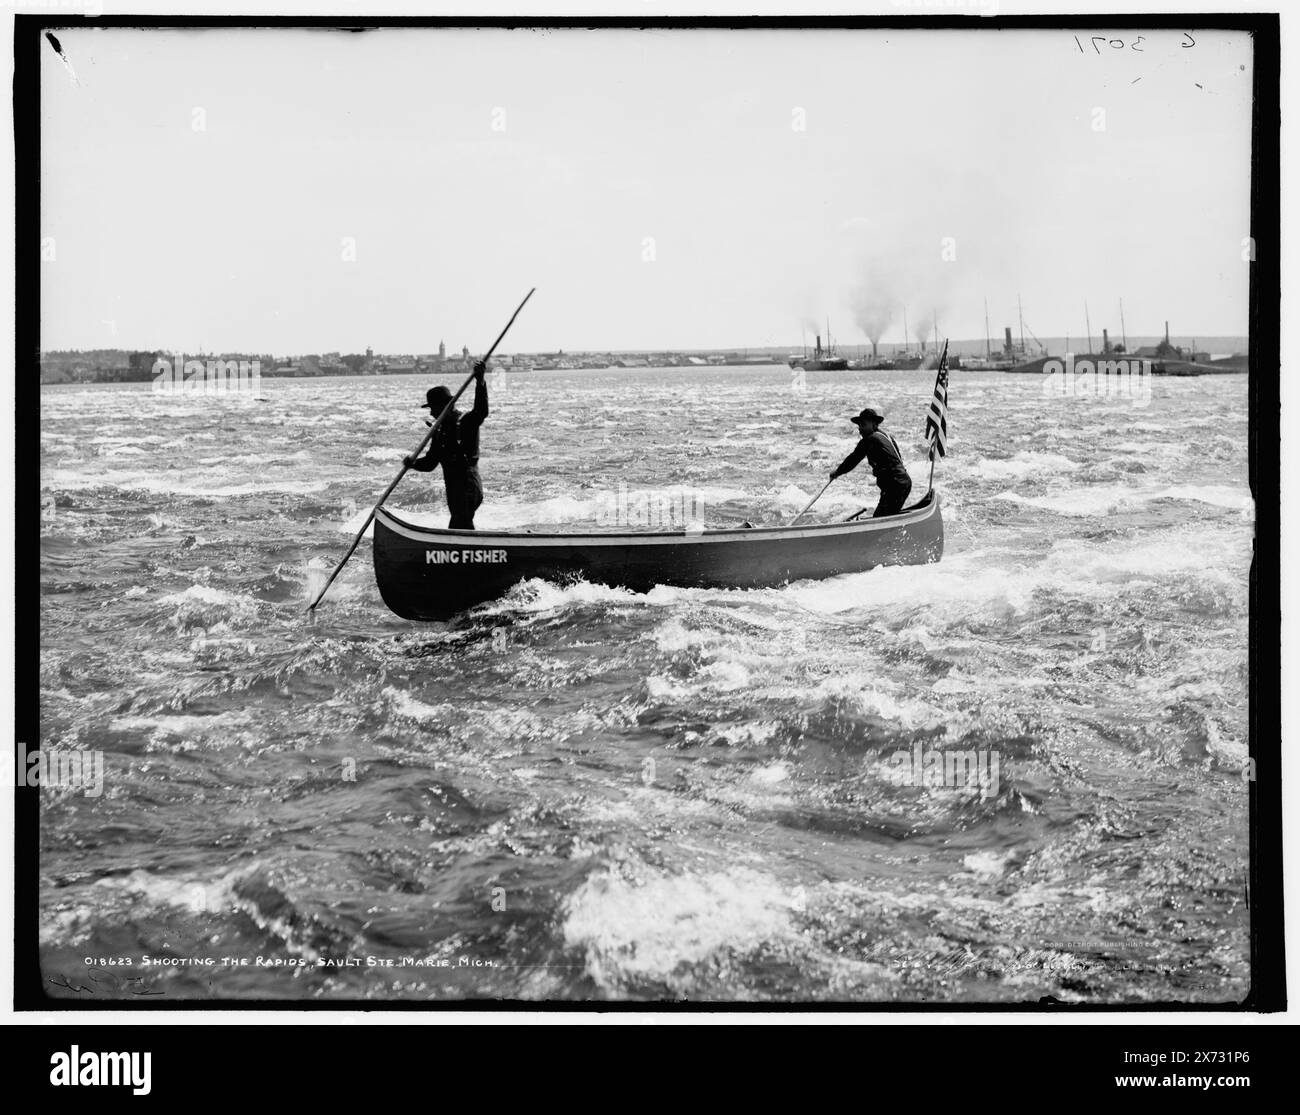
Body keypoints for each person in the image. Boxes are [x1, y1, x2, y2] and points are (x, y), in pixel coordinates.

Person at [404, 361, 489, 529]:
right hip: (453, 487)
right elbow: (430, 463)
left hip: (468, 485)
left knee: (460, 525)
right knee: (459, 525)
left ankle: (465, 550)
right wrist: (412, 464)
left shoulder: (466, 422)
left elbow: (481, 411)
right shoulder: (439, 432)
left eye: (434, 408)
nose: (431, 413)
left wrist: (480, 382)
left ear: (446, 406)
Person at [830, 406, 913, 517]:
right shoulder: (887, 437)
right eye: (859, 425)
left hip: (895, 485)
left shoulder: (869, 440)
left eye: (863, 425)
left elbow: (853, 459)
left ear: (874, 425)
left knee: (880, 518)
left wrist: (837, 473)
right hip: (904, 482)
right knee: (887, 516)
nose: (860, 428)